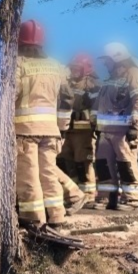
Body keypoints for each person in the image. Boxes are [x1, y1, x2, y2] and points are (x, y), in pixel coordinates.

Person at [15, 20, 81, 230]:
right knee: (49, 175)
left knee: (29, 177)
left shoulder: (18, 64)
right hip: (51, 131)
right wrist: (62, 128)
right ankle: (57, 218)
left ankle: (33, 219)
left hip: (24, 131)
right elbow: (67, 99)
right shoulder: (56, 66)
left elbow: (9, 94)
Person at [92, 42, 138, 211]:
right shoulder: (111, 78)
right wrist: (95, 122)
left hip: (124, 131)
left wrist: (134, 126)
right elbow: (101, 103)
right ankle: (106, 198)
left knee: (126, 166)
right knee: (103, 166)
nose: (104, 64)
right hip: (106, 131)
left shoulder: (134, 74)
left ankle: (131, 200)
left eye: (107, 60)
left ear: (117, 59)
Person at [59, 53, 100, 203]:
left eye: (78, 68)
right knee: (65, 159)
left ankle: (88, 195)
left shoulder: (93, 85)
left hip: (84, 130)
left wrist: (82, 114)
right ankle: (73, 193)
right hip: (67, 129)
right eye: (73, 68)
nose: (74, 71)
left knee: (83, 161)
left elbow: (96, 107)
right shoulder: (67, 82)